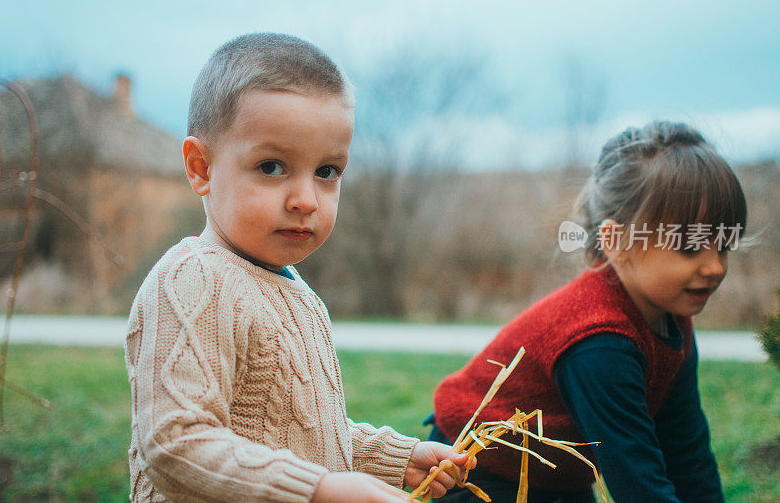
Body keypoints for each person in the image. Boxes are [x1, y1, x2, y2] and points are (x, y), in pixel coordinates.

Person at [124, 33, 471, 503]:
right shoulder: (193, 280)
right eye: (271, 166)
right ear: (201, 168)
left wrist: (394, 456)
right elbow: (176, 443)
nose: (306, 199)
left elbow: (302, 430)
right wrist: (318, 489)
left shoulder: (296, 293)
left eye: (327, 172)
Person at [430, 121, 744, 502]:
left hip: (559, 475)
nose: (715, 267)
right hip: (482, 471)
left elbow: (687, 452)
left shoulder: (670, 318)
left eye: (724, 244)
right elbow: (638, 483)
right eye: (690, 248)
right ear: (615, 242)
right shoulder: (598, 340)